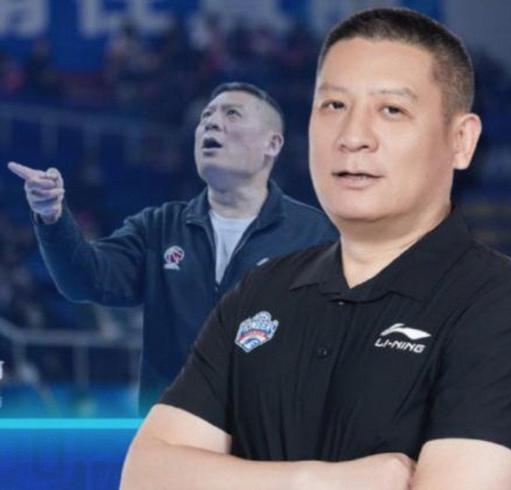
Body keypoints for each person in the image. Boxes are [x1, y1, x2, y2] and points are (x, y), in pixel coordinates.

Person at [120, 8, 511, 490]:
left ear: (461, 141)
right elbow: (145, 476)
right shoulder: (260, 294)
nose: (353, 137)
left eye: (391, 110)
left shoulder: (505, 308)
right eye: (333, 105)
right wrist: (320, 481)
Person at [7, 82, 338, 412]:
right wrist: (51, 216)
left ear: (272, 144)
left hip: (270, 433)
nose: (211, 122)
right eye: (206, 116)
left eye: (232, 114)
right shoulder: (159, 228)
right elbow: (84, 281)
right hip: (171, 431)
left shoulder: (314, 234)